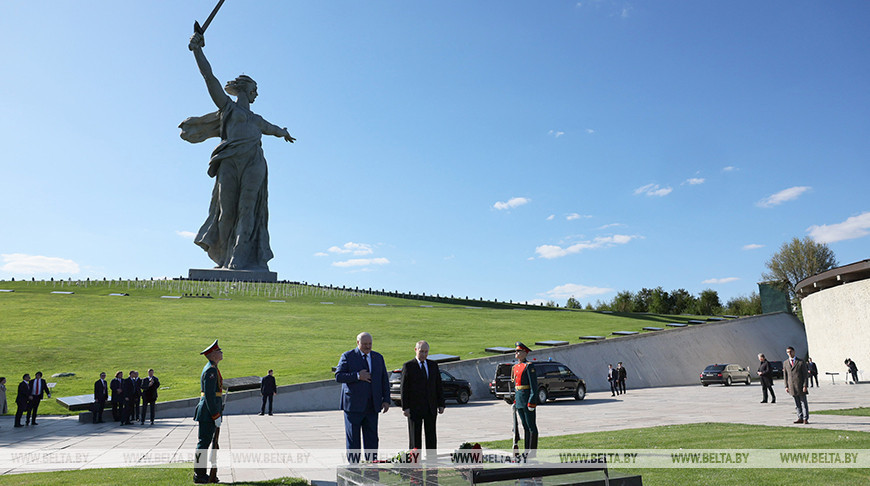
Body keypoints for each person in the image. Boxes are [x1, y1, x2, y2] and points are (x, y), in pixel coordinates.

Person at [182, 31, 295, 272]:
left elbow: (273, 129)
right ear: (245, 89)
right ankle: (224, 256)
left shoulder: (257, 119)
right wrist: (198, 51)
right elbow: (209, 78)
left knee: (248, 208)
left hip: (254, 162)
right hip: (230, 162)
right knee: (226, 212)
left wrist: (284, 132)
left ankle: (239, 258)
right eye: (254, 89)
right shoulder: (228, 109)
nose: (257, 93)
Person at [334, 332, 390, 463]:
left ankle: (372, 467)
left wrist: (386, 400)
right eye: (365, 344)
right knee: (353, 440)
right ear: (357, 343)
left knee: (372, 439)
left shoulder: (378, 357)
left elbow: (384, 380)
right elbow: (339, 376)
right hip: (353, 406)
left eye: (370, 344)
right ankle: (354, 469)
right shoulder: (348, 356)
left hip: (372, 406)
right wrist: (358, 376)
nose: (368, 346)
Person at [400, 341, 445, 453]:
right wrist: (405, 407)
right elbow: (404, 388)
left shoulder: (433, 365)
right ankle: (415, 462)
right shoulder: (409, 366)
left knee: (431, 436)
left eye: (426, 352)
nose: (424, 354)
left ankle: (432, 461)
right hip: (415, 408)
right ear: (416, 350)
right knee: (415, 437)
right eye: (422, 351)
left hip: (430, 407)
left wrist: (441, 404)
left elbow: (438, 385)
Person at [194, 340, 224, 484]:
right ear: (212, 355)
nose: (221, 352)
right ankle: (199, 474)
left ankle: (203, 473)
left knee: (206, 442)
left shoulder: (213, 368)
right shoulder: (210, 370)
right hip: (208, 412)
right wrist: (215, 414)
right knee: (203, 443)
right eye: (219, 351)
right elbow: (210, 395)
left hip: (209, 411)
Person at [512, 342, 539, 454]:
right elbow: (516, 386)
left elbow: (534, 386)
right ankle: (526, 451)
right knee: (525, 427)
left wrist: (532, 401)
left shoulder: (529, 366)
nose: (516, 353)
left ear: (525, 353)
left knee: (531, 426)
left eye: (519, 351)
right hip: (519, 400)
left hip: (527, 400)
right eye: (516, 351)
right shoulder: (515, 367)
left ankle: (532, 453)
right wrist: (515, 400)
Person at [783, 346, 809, 424]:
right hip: (792, 386)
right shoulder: (785, 363)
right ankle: (800, 417)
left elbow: (805, 375)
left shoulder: (800, 362)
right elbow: (785, 375)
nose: (789, 353)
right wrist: (786, 386)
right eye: (787, 352)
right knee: (797, 403)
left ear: (794, 352)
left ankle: (805, 418)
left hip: (800, 386)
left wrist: (805, 385)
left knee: (803, 403)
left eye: (790, 351)